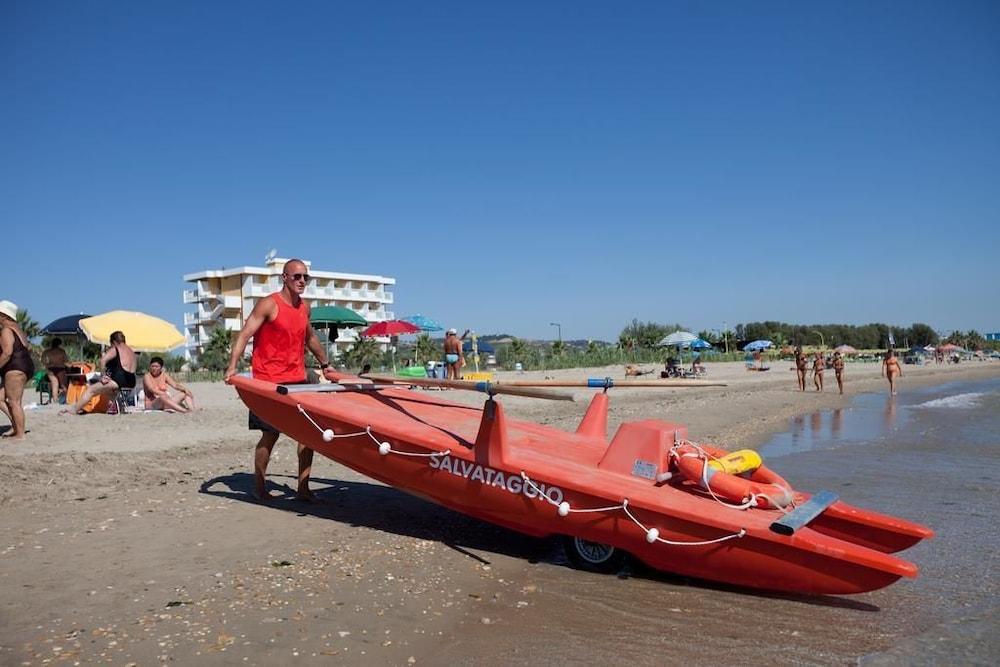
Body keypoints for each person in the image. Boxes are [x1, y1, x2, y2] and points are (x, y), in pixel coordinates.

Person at [224, 258, 338, 502]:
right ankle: (261, 487)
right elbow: (245, 335)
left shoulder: (304, 308)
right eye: (297, 276)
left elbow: (310, 338)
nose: (302, 281)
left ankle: (303, 488)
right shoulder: (269, 304)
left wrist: (326, 364)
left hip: (297, 378)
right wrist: (232, 367)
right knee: (270, 435)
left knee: (309, 434)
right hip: (268, 382)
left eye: (305, 277)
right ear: (284, 277)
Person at [62, 330, 137, 415]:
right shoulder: (131, 351)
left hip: (120, 379)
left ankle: (74, 410)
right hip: (131, 381)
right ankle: (113, 408)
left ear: (114, 342)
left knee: (91, 390)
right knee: (107, 392)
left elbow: (102, 361)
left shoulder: (116, 348)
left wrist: (103, 376)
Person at [0, 300, 35, 440]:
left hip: (15, 368)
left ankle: (20, 434)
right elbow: (28, 348)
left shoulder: (6, 330)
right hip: (24, 366)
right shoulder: (18, 329)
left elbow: (7, 352)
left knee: (14, 402)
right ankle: (16, 427)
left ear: (3, 315)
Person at [41, 337, 69, 404]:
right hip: (60, 369)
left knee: (55, 384)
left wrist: (48, 365)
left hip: (50, 369)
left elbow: (43, 361)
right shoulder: (62, 351)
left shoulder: (46, 352)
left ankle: (55, 400)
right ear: (59, 344)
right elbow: (66, 361)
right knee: (63, 385)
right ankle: (65, 399)